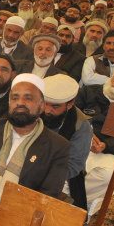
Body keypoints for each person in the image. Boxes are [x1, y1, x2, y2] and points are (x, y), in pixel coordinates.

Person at [0, 74, 71, 221]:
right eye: (15, 98)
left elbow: (48, 195)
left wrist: (5, 211)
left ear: (42, 105)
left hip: (17, 218)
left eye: (28, 98)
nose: (20, 103)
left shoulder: (58, 146)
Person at [76, 64, 114, 215]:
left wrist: (106, 145)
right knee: (69, 166)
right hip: (80, 141)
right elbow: (72, 114)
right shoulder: (88, 91)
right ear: (112, 75)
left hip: (107, 151)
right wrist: (86, 134)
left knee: (107, 176)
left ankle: (77, 202)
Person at [41, 74, 92, 212]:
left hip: (59, 176)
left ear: (70, 104)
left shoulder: (81, 126)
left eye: (55, 106)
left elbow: (74, 165)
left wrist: (40, 174)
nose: (47, 110)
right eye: (45, 103)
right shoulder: (34, 109)